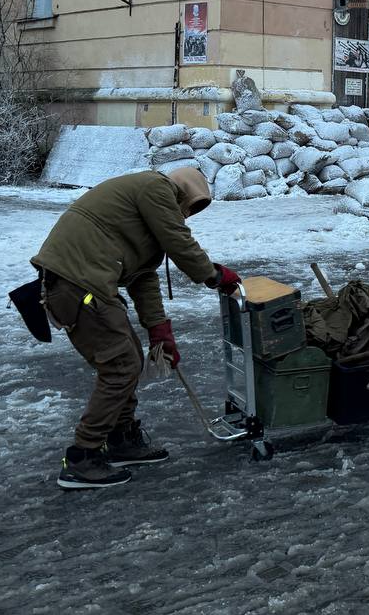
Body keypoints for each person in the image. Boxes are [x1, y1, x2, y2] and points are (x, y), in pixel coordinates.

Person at [31, 167, 241, 490]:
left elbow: (143, 278)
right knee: (120, 365)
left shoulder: (144, 218)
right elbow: (179, 241)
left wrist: (159, 330)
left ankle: (120, 438)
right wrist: (213, 275)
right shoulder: (156, 187)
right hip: (76, 282)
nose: (185, 216)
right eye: (188, 207)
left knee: (129, 359)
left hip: (86, 283)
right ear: (181, 194)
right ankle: (81, 458)